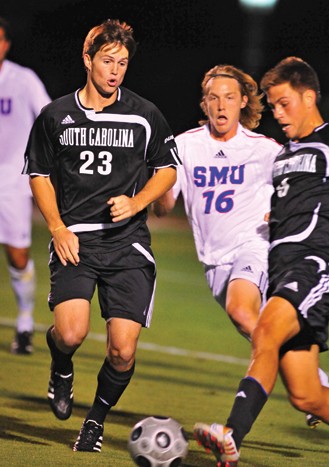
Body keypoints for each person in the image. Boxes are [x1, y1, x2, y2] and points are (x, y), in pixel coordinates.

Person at [23, 19, 180, 452]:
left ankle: (94, 423)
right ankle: (61, 368)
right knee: (70, 334)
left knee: (122, 351)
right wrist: (57, 228)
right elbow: (38, 174)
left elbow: (167, 169)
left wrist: (138, 201)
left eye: (123, 63)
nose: (115, 71)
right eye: (108, 61)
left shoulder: (144, 114)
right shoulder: (55, 115)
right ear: (87, 58)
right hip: (76, 239)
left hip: (127, 244)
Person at [154, 63, 329, 431]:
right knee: (260, 329)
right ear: (204, 104)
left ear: (242, 102)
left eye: (229, 98)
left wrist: (280, 212)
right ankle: (318, 389)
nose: (221, 105)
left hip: (255, 247)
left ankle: (242, 426)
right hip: (213, 261)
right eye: (214, 98)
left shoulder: (264, 149)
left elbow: (298, 182)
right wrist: (153, 184)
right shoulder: (184, 146)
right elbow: (165, 205)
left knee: (242, 311)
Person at [193, 57, 329, 466]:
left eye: (284, 104)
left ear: (308, 96)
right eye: (273, 106)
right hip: (287, 269)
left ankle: (231, 435)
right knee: (305, 394)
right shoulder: (282, 158)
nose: (276, 114)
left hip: (320, 263)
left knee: (263, 329)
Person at [0, 17, 51, 354]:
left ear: (6, 43)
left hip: (11, 181)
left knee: (17, 255)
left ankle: (25, 321)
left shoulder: (23, 79)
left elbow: (48, 118)